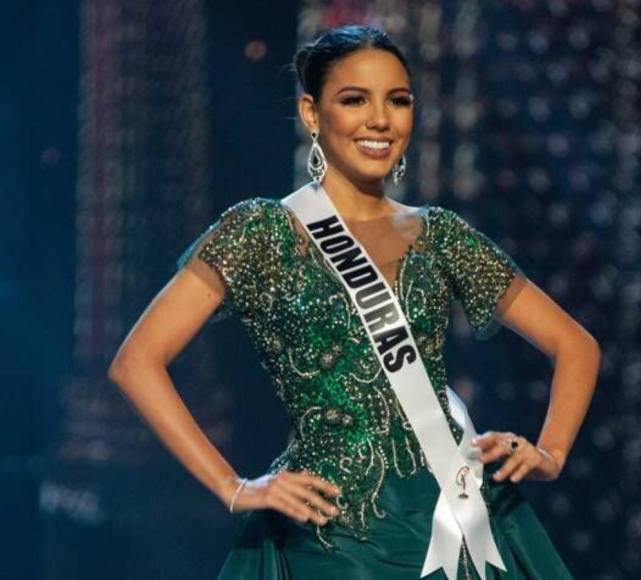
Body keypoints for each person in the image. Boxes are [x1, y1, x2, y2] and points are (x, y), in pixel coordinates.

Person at [107, 24, 600, 580]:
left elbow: (575, 345)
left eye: (398, 100)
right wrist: (233, 486)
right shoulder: (261, 232)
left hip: (461, 515)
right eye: (354, 100)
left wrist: (550, 455)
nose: (380, 120)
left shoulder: (440, 235)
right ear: (312, 114)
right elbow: (136, 362)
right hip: (334, 534)